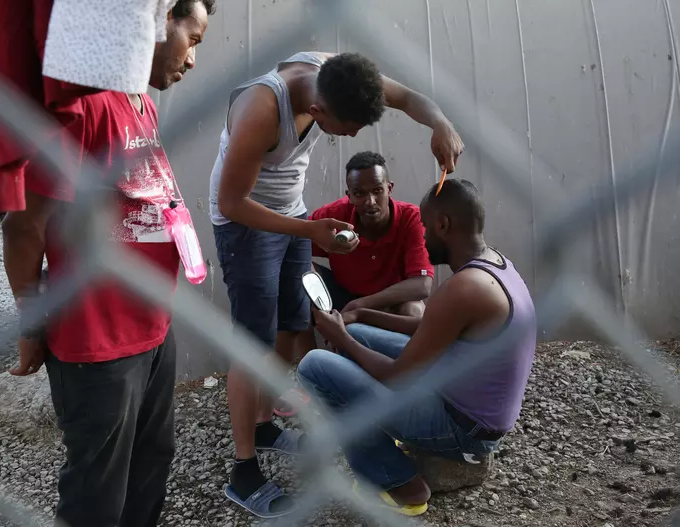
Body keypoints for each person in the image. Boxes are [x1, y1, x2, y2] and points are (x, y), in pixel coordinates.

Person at [208, 50, 464, 518]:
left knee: (290, 325)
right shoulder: (261, 107)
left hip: (291, 213)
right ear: (319, 110)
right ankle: (243, 471)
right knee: (252, 343)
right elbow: (231, 202)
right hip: (246, 225)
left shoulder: (338, 73)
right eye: (347, 128)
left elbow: (407, 96)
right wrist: (310, 231)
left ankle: (265, 426)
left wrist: (440, 122)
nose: (350, 137)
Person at [0, 1, 215, 526]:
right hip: (96, 341)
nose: (193, 61)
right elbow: (23, 225)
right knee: (98, 492)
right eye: (196, 38)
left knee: (151, 465)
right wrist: (31, 322)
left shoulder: (143, 103)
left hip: (153, 327)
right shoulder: (85, 104)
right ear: (159, 17)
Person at [298, 179, 537, 516]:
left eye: (426, 227)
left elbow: (398, 377)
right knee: (363, 332)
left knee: (315, 366)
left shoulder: (466, 287)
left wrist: (340, 338)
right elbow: (430, 327)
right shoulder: (493, 264)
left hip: (463, 431)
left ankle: (399, 481)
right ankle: (392, 432)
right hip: (458, 396)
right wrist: (361, 315)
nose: (422, 236)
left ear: (443, 225)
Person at [309, 150, 434, 336]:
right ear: (349, 195)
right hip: (342, 297)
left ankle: (404, 363)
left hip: (389, 304)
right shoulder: (333, 216)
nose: (370, 201)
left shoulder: (411, 218)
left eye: (377, 191)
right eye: (359, 193)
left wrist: (360, 307)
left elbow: (422, 285)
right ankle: (304, 358)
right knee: (298, 271)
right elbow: (292, 247)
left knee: (414, 311)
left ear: (389, 189)